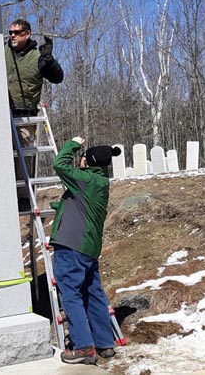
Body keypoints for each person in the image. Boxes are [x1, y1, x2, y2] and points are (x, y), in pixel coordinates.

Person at [50, 137, 121, 365]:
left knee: (71, 294)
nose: (79, 159)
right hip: (89, 248)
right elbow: (81, 205)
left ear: (88, 162)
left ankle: (84, 348)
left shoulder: (85, 179)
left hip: (71, 246)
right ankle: (104, 344)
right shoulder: (100, 181)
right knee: (93, 293)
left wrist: (72, 144)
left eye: (82, 157)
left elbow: (59, 164)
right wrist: (58, 206)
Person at [5, 19, 64, 210]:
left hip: (25, 115)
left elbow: (57, 78)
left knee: (23, 157)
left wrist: (49, 61)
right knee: (0, 155)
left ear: (27, 33)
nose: (12, 35)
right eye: (10, 32)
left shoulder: (37, 57)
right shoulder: (0, 52)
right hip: (0, 113)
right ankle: (1, 195)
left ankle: (23, 198)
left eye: (17, 32)